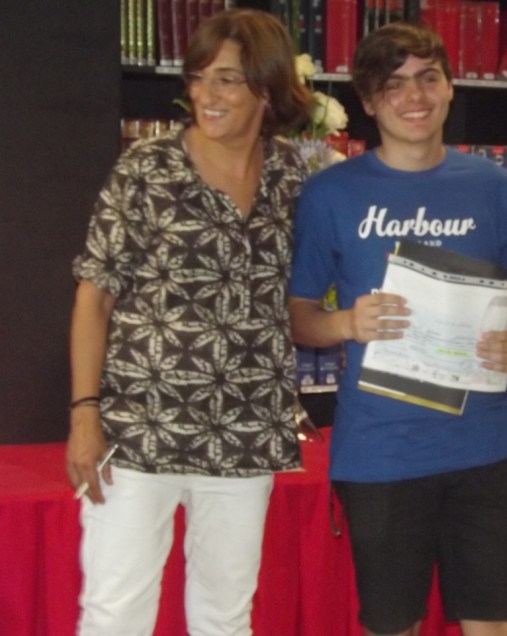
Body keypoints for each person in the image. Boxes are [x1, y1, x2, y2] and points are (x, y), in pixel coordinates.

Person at [289, 22, 507, 636]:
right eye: (394, 84)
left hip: (485, 445)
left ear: (450, 88)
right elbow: (299, 317)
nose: (415, 96)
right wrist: (347, 322)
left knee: (498, 626)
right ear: (369, 101)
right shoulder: (330, 194)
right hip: (381, 451)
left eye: (428, 78)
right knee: (392, 626)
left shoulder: (494, 188)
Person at [65, 9, 312, 635]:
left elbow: (300, 296)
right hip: (138, 428)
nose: (206, 94)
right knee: (115, 615)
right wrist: (84, 413)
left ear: (266, 87)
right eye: (198, 77)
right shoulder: (146, 169)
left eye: (226, 79)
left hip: (247, 428)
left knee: (225, 617)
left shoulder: (291, 176)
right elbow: (94, 297)